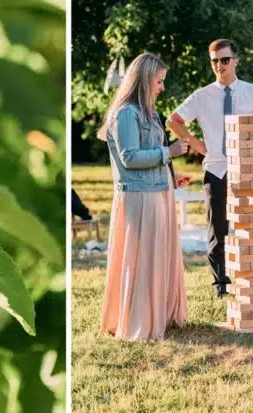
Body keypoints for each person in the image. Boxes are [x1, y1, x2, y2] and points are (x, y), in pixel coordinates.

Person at [166, 39, 253, 299]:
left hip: (250, 170)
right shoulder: (202, 95)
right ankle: (221, 286)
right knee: (217, 231)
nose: (219, 65)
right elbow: (173, 120)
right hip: (217, 170)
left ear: (236, 61)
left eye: (224, 60)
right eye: (215, 61)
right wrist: (198, 144)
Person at [99, 52, 189, 341]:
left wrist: (172, 175)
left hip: (157, 191)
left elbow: (147, 156)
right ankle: (140, 321)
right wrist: (169, 153)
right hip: (138, 197)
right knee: (143, 260)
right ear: (144, 79)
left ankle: (159, 314)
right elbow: (129, 158)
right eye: (159, 81)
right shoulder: (126, 113)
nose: (162, 87)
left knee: (157, 256)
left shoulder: (148, 113)